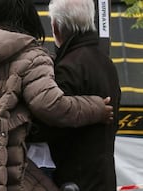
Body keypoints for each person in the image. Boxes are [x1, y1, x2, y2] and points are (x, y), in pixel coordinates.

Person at [0, 0, 114, 190]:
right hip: (18, 171)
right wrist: (96, 108)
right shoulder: (33, 57)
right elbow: (51, 105)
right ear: (30, 20)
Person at [38, 0, 121, 190]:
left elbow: (54, 124)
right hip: (104, 177)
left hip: (75, 181)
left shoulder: (67, 69)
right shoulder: (106, 64)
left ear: (56, 27)